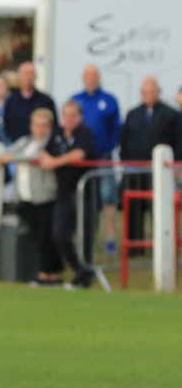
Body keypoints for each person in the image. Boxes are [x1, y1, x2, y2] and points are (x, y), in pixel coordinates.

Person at [0, 108, 61, 286]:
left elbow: (31, 157)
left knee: (46, 236)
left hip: (44, 196)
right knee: (36, 235)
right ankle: (47, 272)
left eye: (44, 125)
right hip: (25, 196)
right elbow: (9, 153)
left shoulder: (51, 143)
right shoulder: (26, 141)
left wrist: (17, 158)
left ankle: (48, 273)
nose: (40, 129)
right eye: (36, 124)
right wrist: (16, 157)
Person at [40, 100, 98, 290]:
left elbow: (79, 154)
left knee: (84, 236)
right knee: (59, 235)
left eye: (73, 115)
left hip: (84, 193)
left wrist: (55, 162)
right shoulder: (57, 133)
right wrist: (47, 158)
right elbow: (44, 152)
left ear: (79, 117)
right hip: (63, 193)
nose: (69, 119)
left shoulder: (84, 133)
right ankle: (79, 269)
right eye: (66, 115)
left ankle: (84, 278)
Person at [119, 77, 180, 247]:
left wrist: (176, 165)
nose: (149, 94)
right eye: (146, 91)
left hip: (161, 171)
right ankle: (135, 246)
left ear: (159, 92)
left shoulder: (171, 114)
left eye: (153, 91)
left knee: (160, 208)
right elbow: (124, 140)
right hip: (135, 171)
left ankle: (162, 245)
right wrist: (125, 163)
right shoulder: (133, 114)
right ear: (141, 93)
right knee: (135, 208)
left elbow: (178, 141)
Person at [72, 65, 122, 255]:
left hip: (103, 157)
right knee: (82, 197)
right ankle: (83, 237)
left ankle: (110, 238)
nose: (91, 78)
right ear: (83, 78)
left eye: (94, 75)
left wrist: (108, 148)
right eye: (87, 75)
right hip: (81, 159)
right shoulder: (76, 100)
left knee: (108, 197)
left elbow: (116, 127)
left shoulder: (109, 100)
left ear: (99, 77)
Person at [3, 62, 56, 144]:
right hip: (16, 147)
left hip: (40, 146)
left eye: (31, 73)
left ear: (36, 76)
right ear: (19, 76)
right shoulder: (11, 101)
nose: (28, 77)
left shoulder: (45, 101)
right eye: (25, 73)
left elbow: (54, 125)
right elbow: (6, 125)